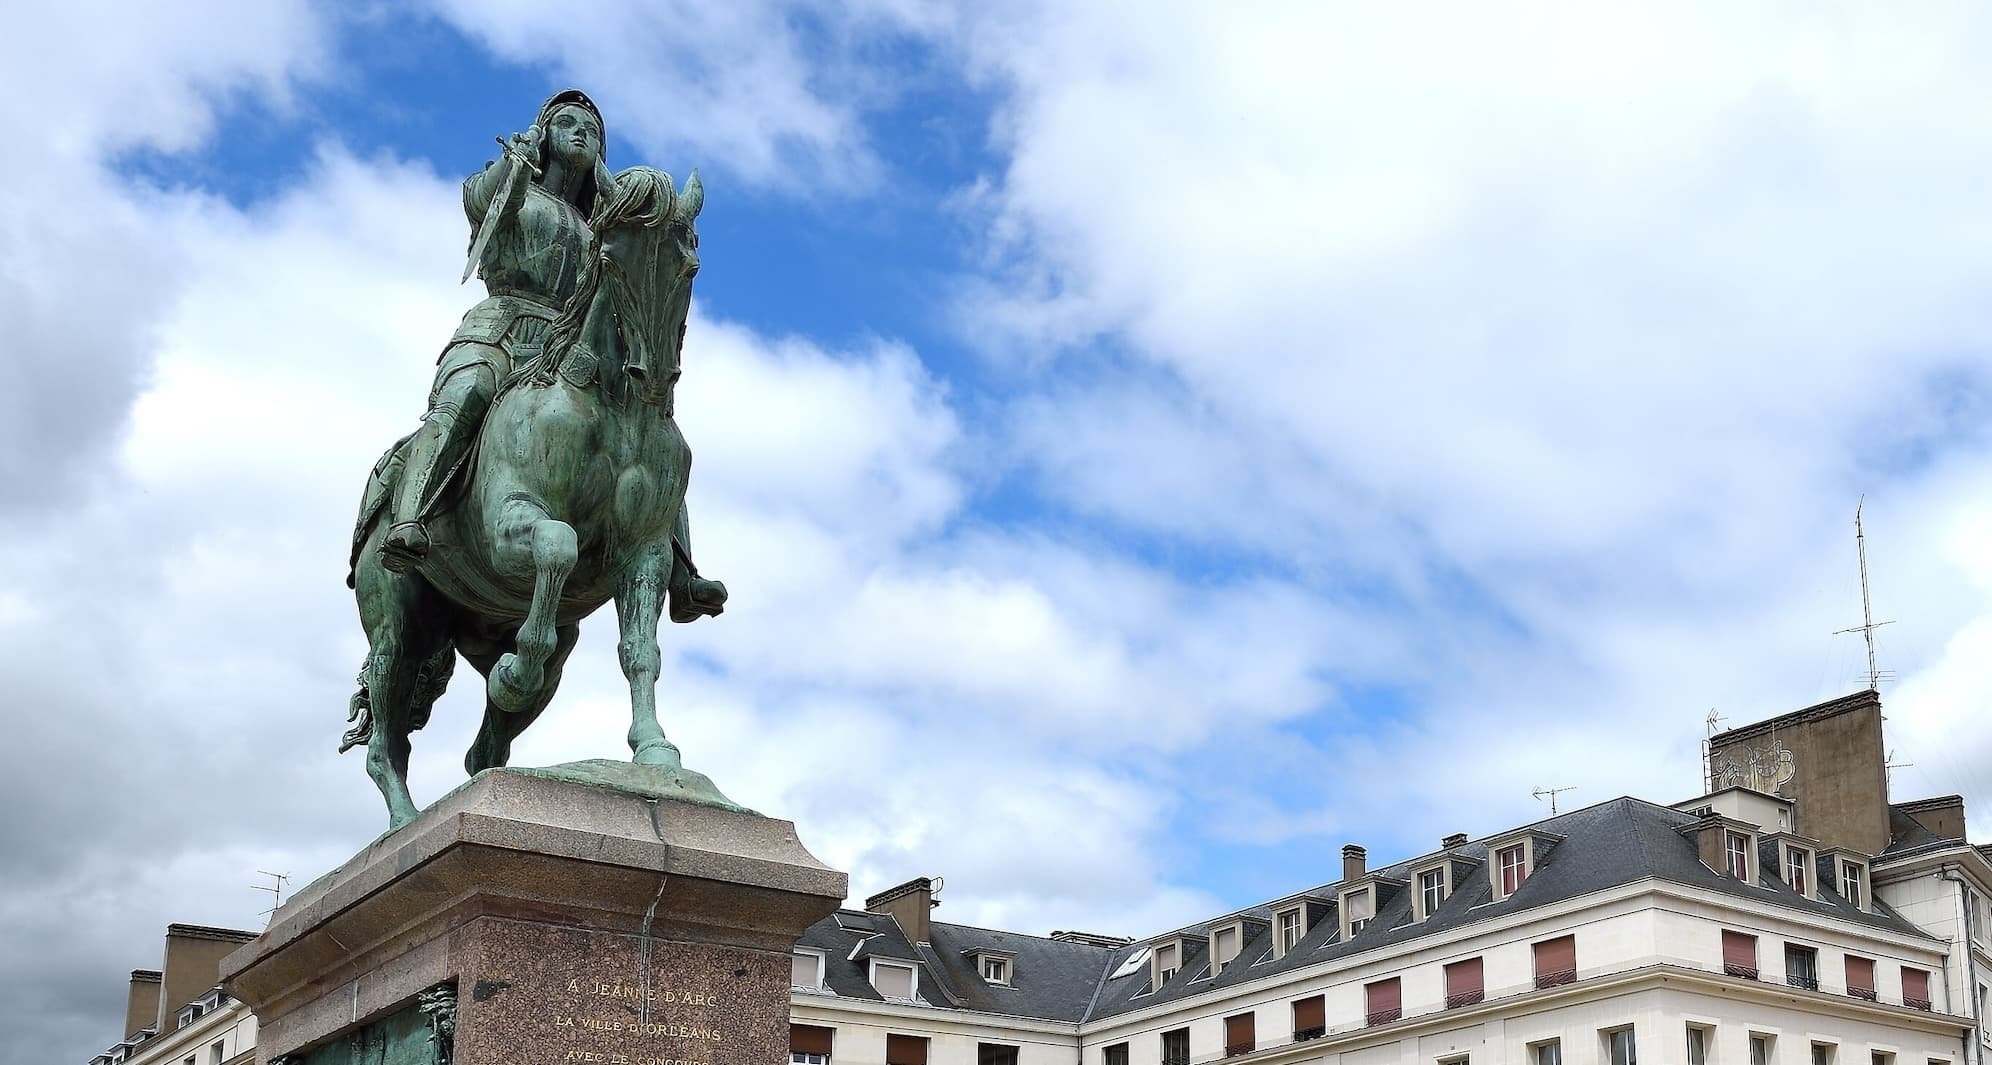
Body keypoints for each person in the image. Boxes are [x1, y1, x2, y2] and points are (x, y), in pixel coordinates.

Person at [378, 89, 725, 622]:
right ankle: (411, 517)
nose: (581, 131)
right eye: (566, 122)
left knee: (647, 429)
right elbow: (480, 199)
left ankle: (680, 567)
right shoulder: (514, 188)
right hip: (502, 329)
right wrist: (512, 164)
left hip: (568, 343)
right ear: (544, 132)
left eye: (591, 128)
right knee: (467, 394)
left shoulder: (600, 225)